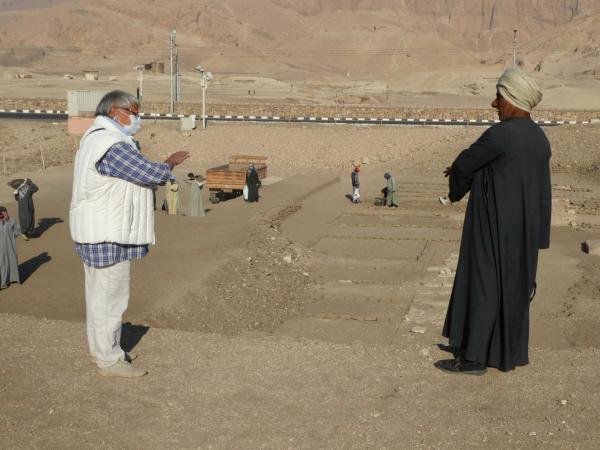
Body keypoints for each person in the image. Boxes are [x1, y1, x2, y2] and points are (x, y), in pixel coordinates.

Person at [436, 68, 551, 375]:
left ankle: (473, 359)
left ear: (512, 99)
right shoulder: (540, 138)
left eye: (499, 97)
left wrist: (457, 190)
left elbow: (464, 164)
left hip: (491, 227)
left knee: (483, 285)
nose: (494, 104)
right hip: (524, 233)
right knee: (512, 291)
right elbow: (543, 191)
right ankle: (502, 353)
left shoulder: (500, 135)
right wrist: (539, 238)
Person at [69, 90, 189, 378]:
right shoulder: (109, 143)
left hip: (103, 228)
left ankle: (107, 351)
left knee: (102, 296)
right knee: (109, 298)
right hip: (105, 232)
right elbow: (148, 173)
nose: (137, 118)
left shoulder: (102, 138)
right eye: (133, 112)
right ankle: (108, 360)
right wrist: (170, 163)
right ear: (115, 112)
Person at [0, 206, 20, 289]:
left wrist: (12, 234)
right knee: (2, 264)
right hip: (0, 248)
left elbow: (17, 231)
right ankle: (3, 283)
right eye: (2, 213)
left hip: (10, 246)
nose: (4, 214)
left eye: (5, 212)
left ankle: (12, 278)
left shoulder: (12, 221)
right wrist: (2, 222)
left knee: (11, 261)